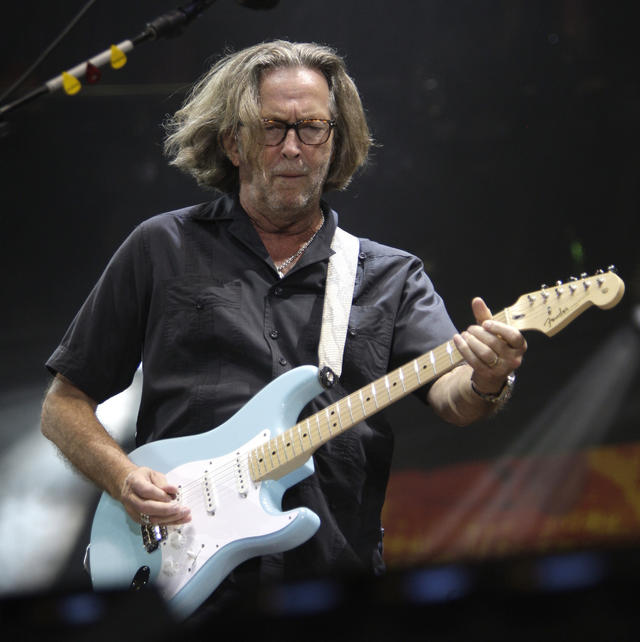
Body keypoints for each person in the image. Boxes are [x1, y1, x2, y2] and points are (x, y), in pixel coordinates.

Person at [41, 40, 526, 613]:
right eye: (273, 127)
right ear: (233, 142)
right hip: (180, 578)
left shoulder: (390, 275)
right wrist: (123, 477)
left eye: (313, 128)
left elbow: (453, 398)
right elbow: (63, 404)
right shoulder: (160, 247)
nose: (293, 147)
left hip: (334, 579)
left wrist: (489, 378)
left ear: (336, 142)